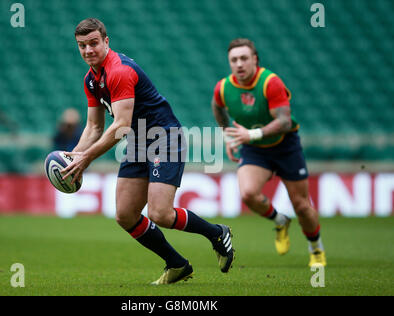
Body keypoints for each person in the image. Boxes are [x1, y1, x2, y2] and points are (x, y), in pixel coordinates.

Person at [61, 18, 235, 284]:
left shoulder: (119, 71)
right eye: (82, 46)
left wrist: (87, 158)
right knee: (125, 215)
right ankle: (177, 264)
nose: (88, 50)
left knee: (160, 214)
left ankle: (217, 233)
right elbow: (94, 127)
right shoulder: (91, 80)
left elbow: (120, 126)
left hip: (164, 138)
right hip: (138, 143)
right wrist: (72, 158)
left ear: (106, 42)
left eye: (93, 43)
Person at [211, 38, 326, 267]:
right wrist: (228, 136)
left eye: (244, 58)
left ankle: (316, 248)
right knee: (248, 194)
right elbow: (217, 107)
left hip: (285, 146)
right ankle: (280, 220)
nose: (239, 64)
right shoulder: (223, 87)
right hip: (255, 149)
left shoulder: (270, 83)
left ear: (255, 60)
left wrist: (250, 135)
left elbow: (283, 121)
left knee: (302, 206)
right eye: (234, 60)